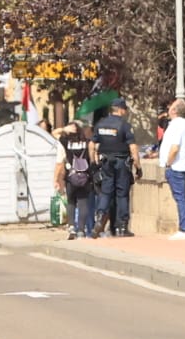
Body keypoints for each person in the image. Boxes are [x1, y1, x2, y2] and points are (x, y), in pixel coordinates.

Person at [91, 100, 138, 237]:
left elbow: (92, 145)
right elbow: (133, 147)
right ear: (121, 110)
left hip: (106, 161)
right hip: (121, 162)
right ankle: (122, 226)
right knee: (122, 194)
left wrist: (94, 162)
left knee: (106, 192)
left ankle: (100, 218)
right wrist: (138, 166)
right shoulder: (124, 125)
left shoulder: (100, 124)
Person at [158, 98, 185, 240]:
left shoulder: (177, 125)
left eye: (171, 107)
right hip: (181, 165)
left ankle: (184, 229)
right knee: (180, 197)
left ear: (174, 110)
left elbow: (174, 148)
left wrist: (168, 162)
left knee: (180, 198)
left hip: (176, 166)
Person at [56, 120, 94, 239]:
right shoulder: (87, 142)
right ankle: (82, 230)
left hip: (71, 177)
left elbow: (53, 134)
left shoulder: (65, 142)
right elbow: (92, 158)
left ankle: (72, 227)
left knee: (71, 202)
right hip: (84, 177)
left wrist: (64, 129)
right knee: (83, 202)